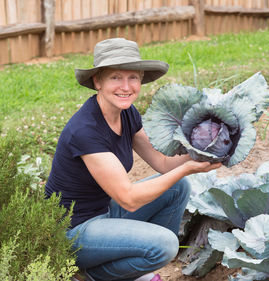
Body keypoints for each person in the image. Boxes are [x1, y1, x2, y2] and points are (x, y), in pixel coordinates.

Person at [45, 38, 222, 281]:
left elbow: (162, 162)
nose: (126, 86)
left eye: (133, 78)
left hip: (104, 214)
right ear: (98, 81)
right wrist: (188, 168)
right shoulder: (85, 130)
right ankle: (87, 276)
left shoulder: (127, 113)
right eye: (116, 77)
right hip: (73, 233)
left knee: (178, 188)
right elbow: (128, 199)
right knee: (165, 245)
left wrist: (199, 152)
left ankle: (134, 267)